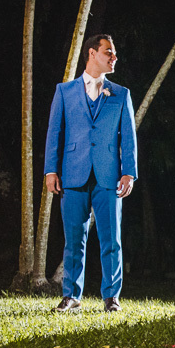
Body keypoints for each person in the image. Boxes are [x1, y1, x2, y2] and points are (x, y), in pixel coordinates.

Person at [44, 34, 137, 312]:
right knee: (74, 240)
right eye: (109, 52)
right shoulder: (65, 91)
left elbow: (128, 138)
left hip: (108, 175)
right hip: (73, 173)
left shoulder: (121, 94)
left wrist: (128, 172)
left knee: (111, 239)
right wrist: (51, 170)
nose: (114, 57)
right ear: (92, 53)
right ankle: (71, 296)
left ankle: (111, 298)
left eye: (115, 53)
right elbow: (55, 133)